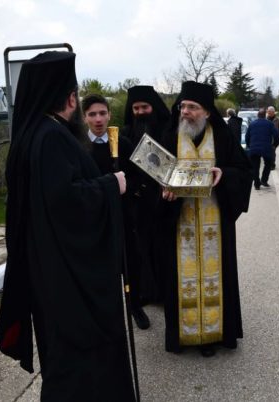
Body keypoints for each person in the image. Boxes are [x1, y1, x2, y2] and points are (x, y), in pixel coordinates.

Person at [0, 51, 136, 401]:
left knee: (61, 353)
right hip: (68, 275)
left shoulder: (32, 133)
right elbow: (67, 203)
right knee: (80, 359)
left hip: (48, 267)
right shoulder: (52, 137)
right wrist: (112, 185)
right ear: (70, 98)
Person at [158, 81, 252, 357]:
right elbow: (154, 173)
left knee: (215, 277)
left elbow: (243, 171)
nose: (185, 112)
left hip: (215, 224)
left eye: (193, 107)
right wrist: (163, 191)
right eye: (183, 106)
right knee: (180, 278)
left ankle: (212, 335)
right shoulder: (169, 135)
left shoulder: (222, 137)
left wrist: (224, 174)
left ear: (207, 112)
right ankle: (183, 335)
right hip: (180, 223)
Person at [81, 93, 153, 331]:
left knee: (131, 261)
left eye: (102, 113)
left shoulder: (123, 143)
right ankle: (104, 313)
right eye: (92, 114)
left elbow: (138, 176)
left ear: (110, 115)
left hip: (123, 214)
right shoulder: (79, 146)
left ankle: (135, 306)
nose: (98, 119)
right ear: (84, 117)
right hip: (94, 219)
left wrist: (127, 189)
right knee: (101, 268)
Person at [120, 85, 172, 327]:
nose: (140, 112)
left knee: (163, 247)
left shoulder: (168, 130)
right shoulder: (125, 134)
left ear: (154, 107)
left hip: (164, 201)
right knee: (140, 248)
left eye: (145, 107)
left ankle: (165, 291)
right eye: (136, 108)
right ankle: (144, 292)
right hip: (137, 202)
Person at [246, 108, 279, 189]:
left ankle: (256, 184)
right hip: (266, 148)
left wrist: (249, 145)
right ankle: (264, 180)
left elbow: (247, 136)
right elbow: (276, 135)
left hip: (254, 148)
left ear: (258, 115)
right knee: (268, 164)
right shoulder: (270, 124)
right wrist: (275, 145)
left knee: (255, 166)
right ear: (265, 115)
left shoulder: (252, 124)